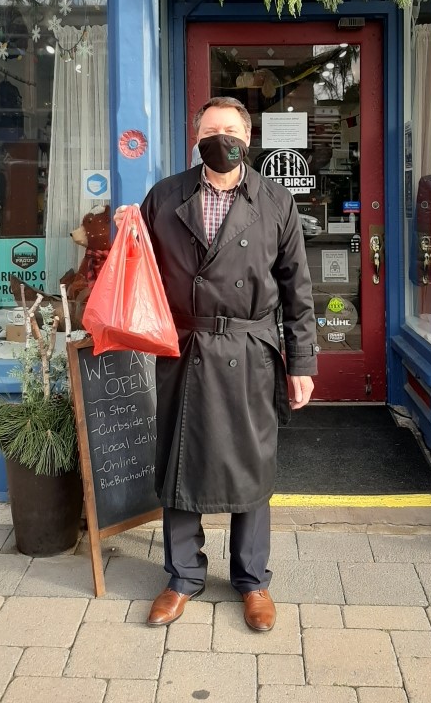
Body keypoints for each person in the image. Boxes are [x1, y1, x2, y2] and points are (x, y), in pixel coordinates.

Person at [114, 96, 318, 632]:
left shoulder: (275, 200)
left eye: (229, 130)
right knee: (181, 460)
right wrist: (126, 232)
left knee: (252, 464)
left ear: (247, 139)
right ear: (197, 138)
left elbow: (298, 292)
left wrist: (301, 363)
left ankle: (252, 581)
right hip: (185, 348)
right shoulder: (165, 196)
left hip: (250, 350)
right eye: (209, 131)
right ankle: (182, 577)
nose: (219, 139)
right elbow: (139, 269)